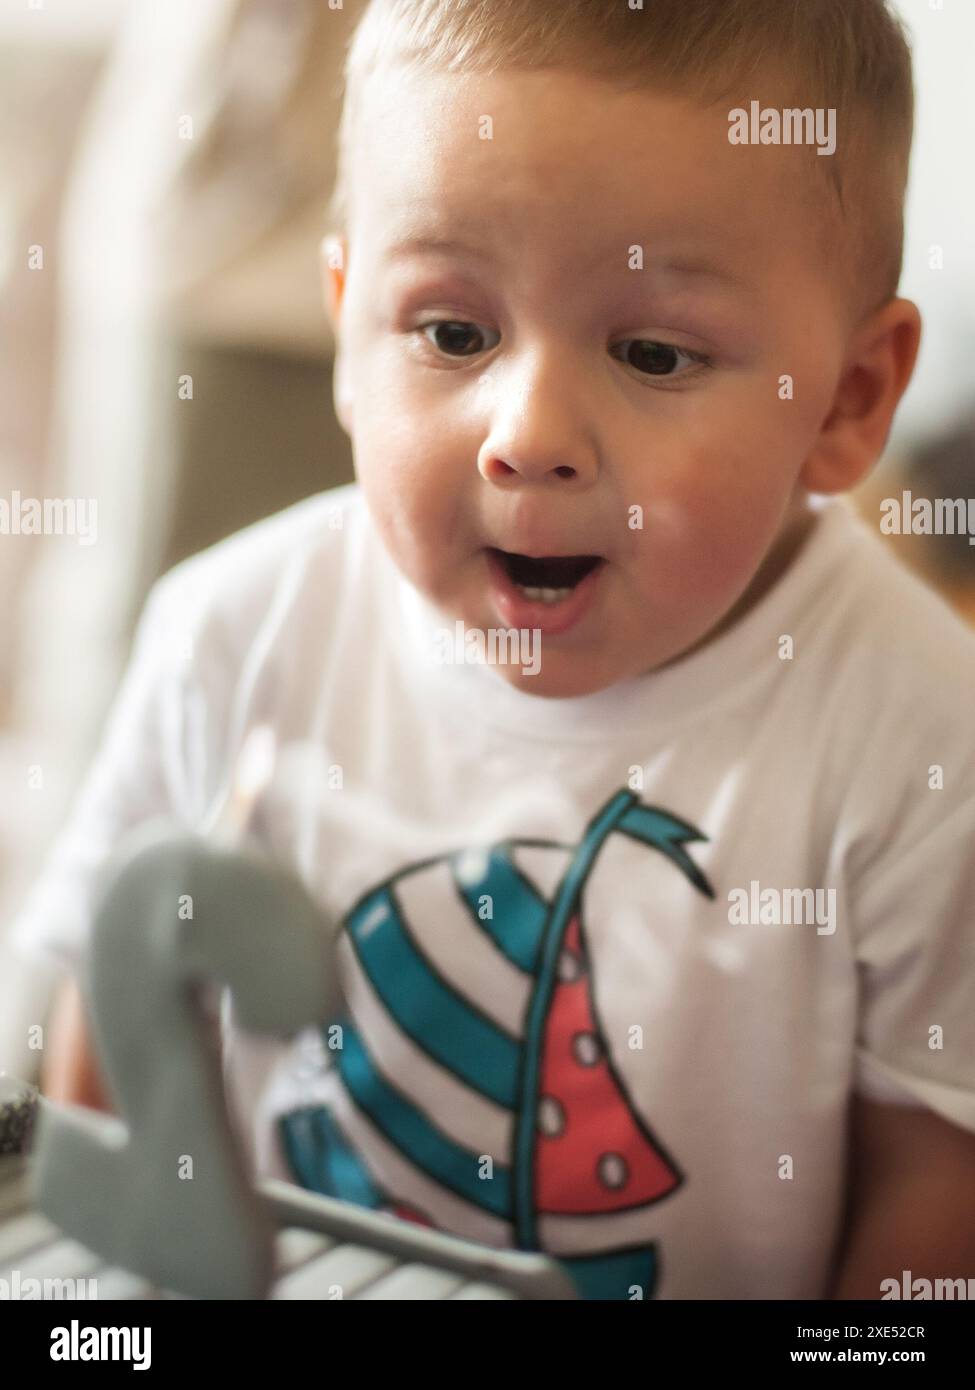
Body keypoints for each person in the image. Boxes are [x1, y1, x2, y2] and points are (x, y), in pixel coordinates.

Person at [9, 0, 975, 1300]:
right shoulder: (231, 630)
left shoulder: (921, 731)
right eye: (453, 332)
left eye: (652, 351)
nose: (527, 434)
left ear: (850, 403)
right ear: (348, 331)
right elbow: (103, 1035)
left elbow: (937, 1176)